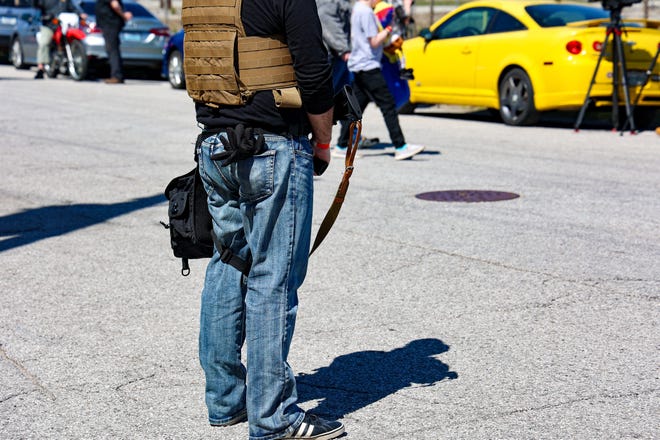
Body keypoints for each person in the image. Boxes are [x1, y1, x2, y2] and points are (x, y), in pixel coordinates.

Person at [186, 0, 344, 438]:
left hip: (214, 146)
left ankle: (225, 401)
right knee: (272, 279)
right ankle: (274, 418)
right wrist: (325, 142)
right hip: (272, 146)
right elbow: (313, 71)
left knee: (228, 262)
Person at [333, 0, 424, 160]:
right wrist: (388, 29)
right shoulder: (366, 12)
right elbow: (374, 41)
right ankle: (400, 146)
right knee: (387, 105)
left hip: (359, 65)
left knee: (356, 109)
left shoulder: (358, 9)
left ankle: (341, 145)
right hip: (368, 66)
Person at [33, 0, 81, 79]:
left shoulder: (66, 1)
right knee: (44, 43)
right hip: (49, 25)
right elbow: (37, 5)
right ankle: (40, 68)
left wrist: (80, 14)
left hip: (64, 26)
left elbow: (73, 8)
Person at [94, 0, 131, 84]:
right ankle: (117, 75)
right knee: (112, 49)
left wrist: (124, 15)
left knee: (112, 49)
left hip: (110, 23)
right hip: (108, 23)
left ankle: (117, 76)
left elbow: (115, 5)